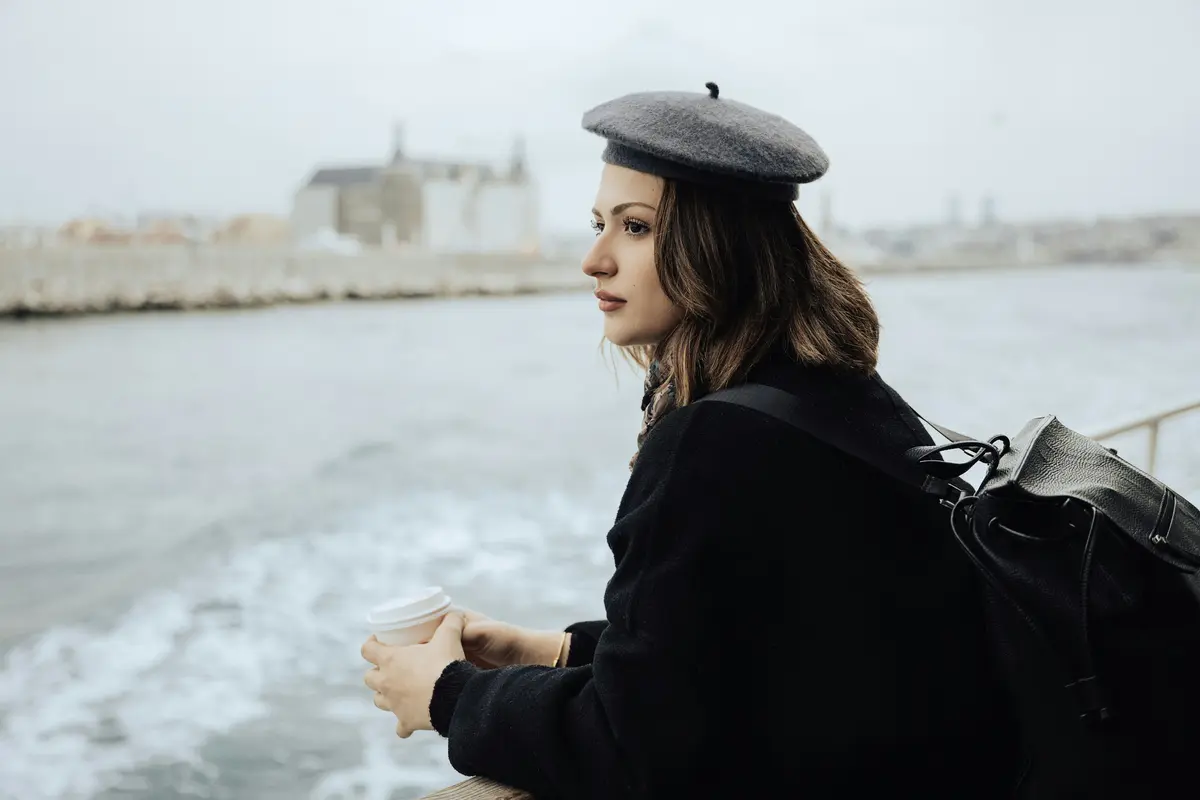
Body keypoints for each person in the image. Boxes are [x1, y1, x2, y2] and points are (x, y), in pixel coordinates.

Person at [361, 82, 1023, 798]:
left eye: (636, 227)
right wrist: (556, 651)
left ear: (718, 246)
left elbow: (632, 749)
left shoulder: (714, 442)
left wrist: (446, 694)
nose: (595, 259)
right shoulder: (837, 394)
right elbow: (759, 648)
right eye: (598, 223)